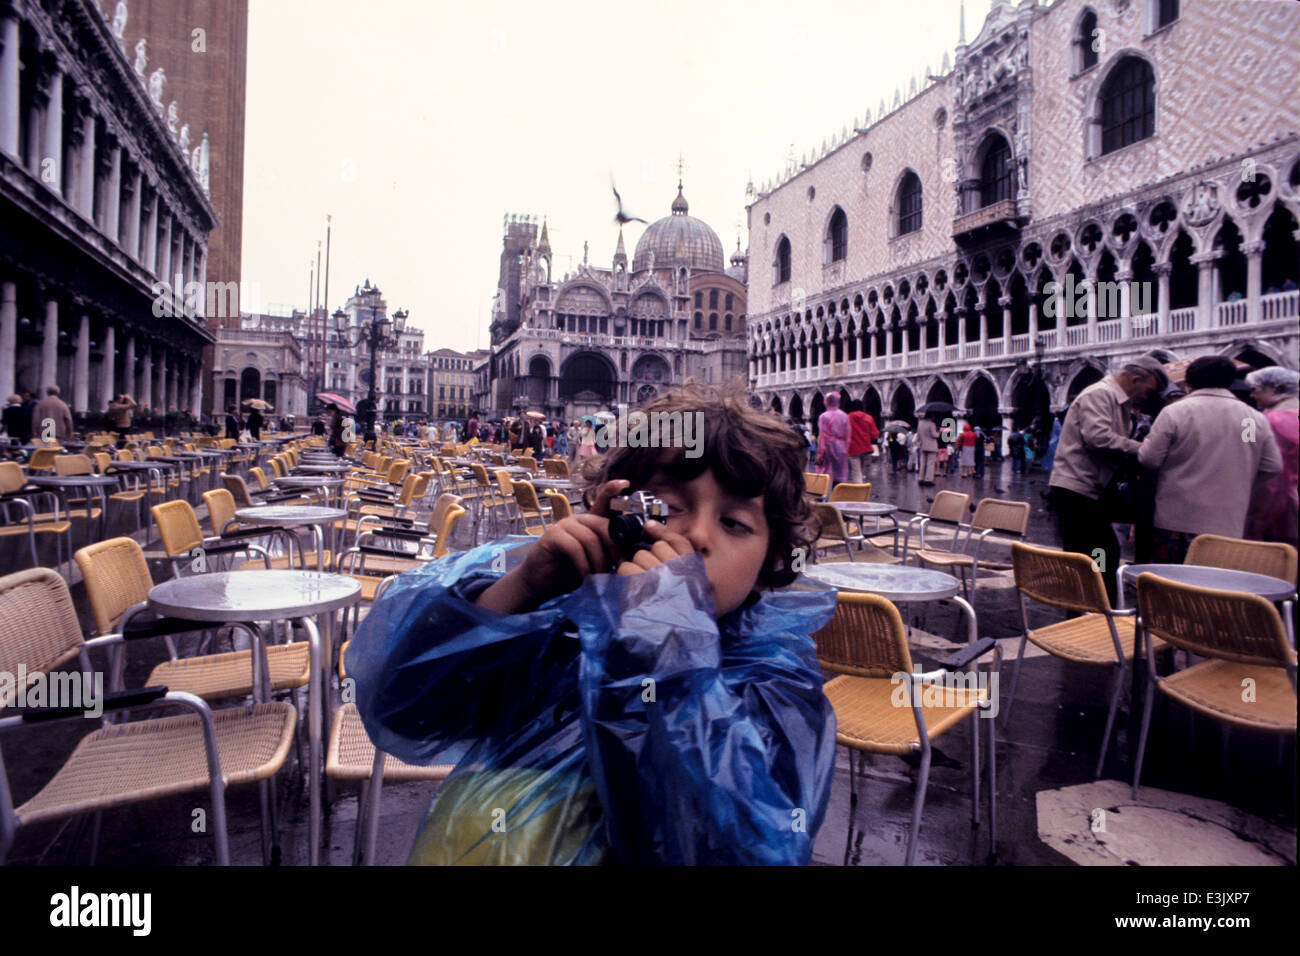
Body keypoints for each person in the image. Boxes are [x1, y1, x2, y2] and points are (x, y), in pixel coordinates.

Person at [347, 382, 837, 865]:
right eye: (668, 508)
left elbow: (744, 849)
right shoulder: (562, 635)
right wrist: (520, 590)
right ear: (616, 511)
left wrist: (670, 654)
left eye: (734, 523)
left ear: (770, 558)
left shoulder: (775, 685)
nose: (698, 534)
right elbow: (407, 710)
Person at [1137, 356, 1282, 563]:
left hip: (1176, 519)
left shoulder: (1175, 412)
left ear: (1188, 383)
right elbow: (1271, 466)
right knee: (1215, 586)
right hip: (1227, 521)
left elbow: (1149, 459)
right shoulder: (1250, 418)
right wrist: (1241, 481)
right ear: (1230, 381)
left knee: (1173, 586)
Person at [1049, 354, 1167, 604]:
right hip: (1078, 490)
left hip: (1091, 491)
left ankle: (1090, 610)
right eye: (1148, 390)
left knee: (1098, 554)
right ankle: (1091, 614)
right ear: (1136, 378)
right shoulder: (1100, 395)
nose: (1146, 398)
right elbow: (1099, 438)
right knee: (1095, 554)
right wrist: (1143, 448)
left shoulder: (1116, 401)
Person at [1243, 366, 1299, 548]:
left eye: (1254, 389)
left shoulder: (1252, 421)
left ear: (1274, 388)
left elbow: (1244, 457)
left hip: (1273, 508)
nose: (1251, 396)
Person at [815, 393, 850, 486]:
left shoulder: (824, 416)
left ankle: (821, 495)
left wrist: (820, 453)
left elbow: (823, 435)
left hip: (828, 446)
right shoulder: (844, 415)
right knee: (839, 473)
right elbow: (847, 434)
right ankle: (837, 495)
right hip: (841, 447)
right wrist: (845, 448)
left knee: (824, 471)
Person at [846, 400, 879, 484]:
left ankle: (859, 492)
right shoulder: (869, 417)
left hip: (853, 449)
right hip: (865, 448)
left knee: (856, 472)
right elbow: (875, 434)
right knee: (860, 471)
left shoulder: (848, 417)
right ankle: (860, 488)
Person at [917, 415, 940, 485]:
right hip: (931, 446)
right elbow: (934, 435)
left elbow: (918, 435)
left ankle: (920, 478)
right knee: (930, 463)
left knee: (923, 463)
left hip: (923, 445)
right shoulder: (932, 424)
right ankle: (928, 479)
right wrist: (939, 433)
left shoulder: (920, 423)